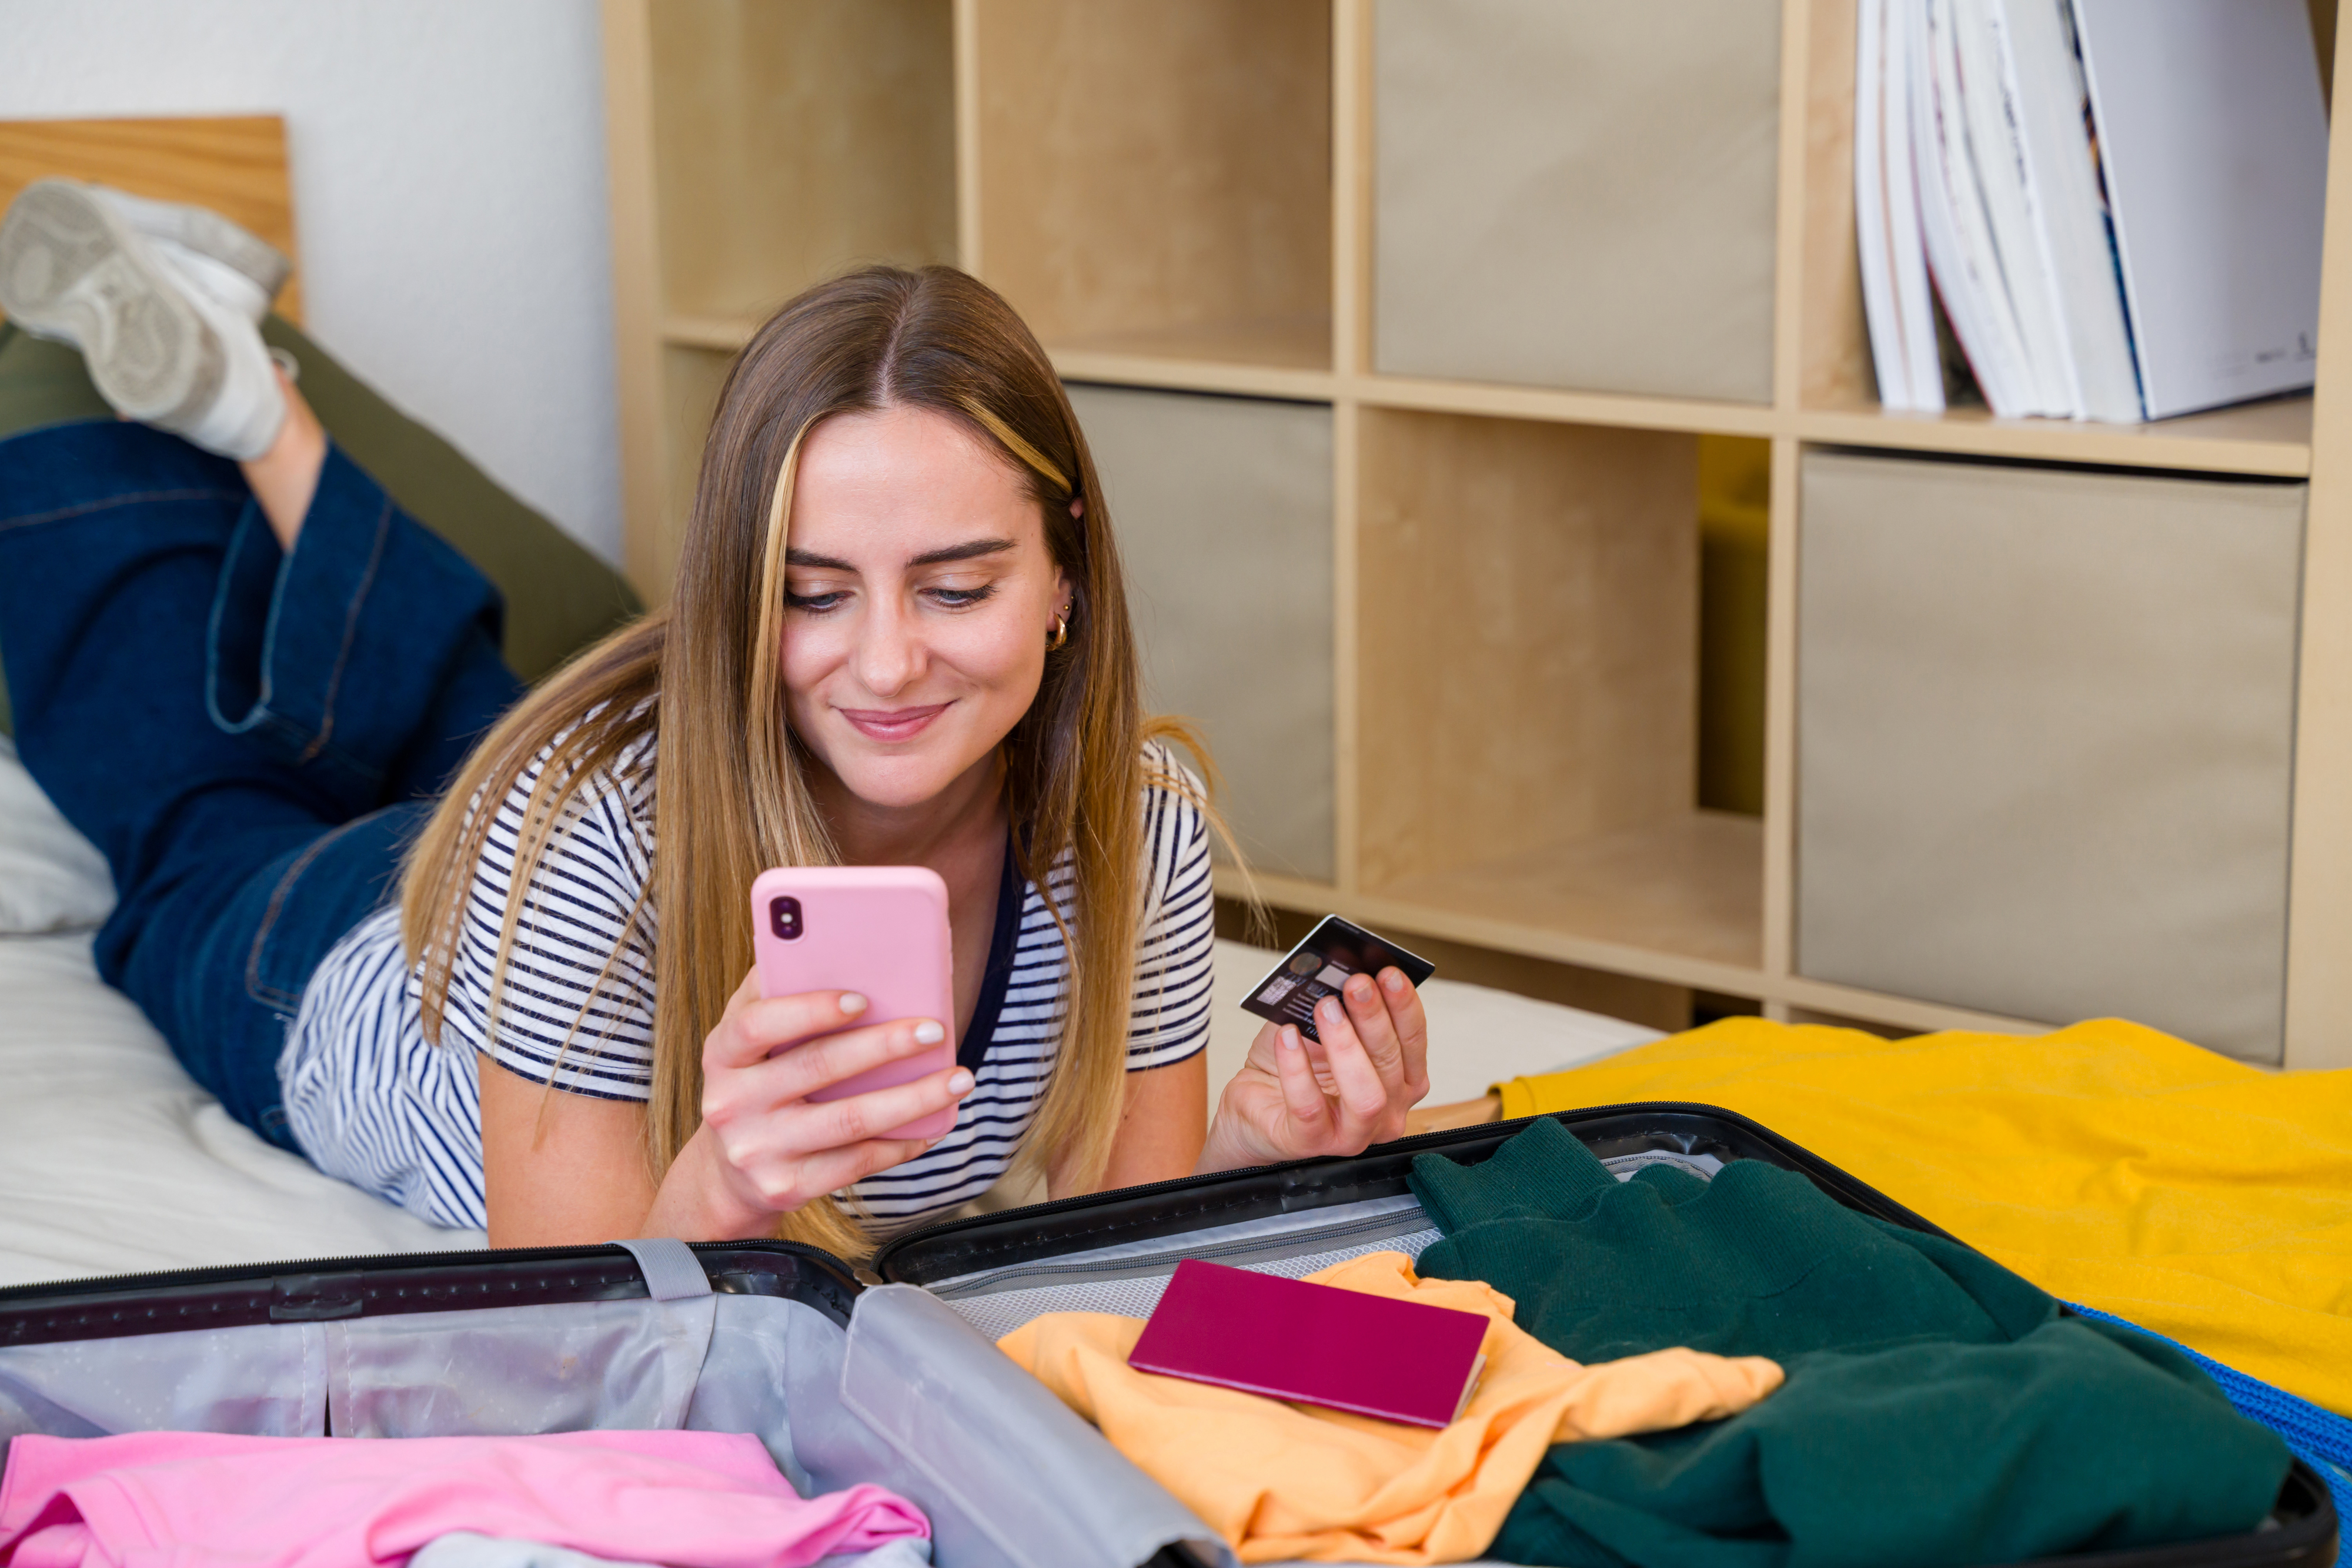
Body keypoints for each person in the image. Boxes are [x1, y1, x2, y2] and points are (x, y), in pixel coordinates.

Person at [0, 180, 1431, 1254]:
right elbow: (587, 1331)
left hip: (574, 829)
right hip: (319, 956)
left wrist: (1252, 1142)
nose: (883, 666)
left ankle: (264, 411)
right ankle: (224, 418)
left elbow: (1107, 1259)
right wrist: (733, 1186)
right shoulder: (581, 831)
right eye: (811, 593)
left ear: (1062, 570)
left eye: (954, 586)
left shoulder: (1134, 830)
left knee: (484, 720)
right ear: (737, 593)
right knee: (199, 810)